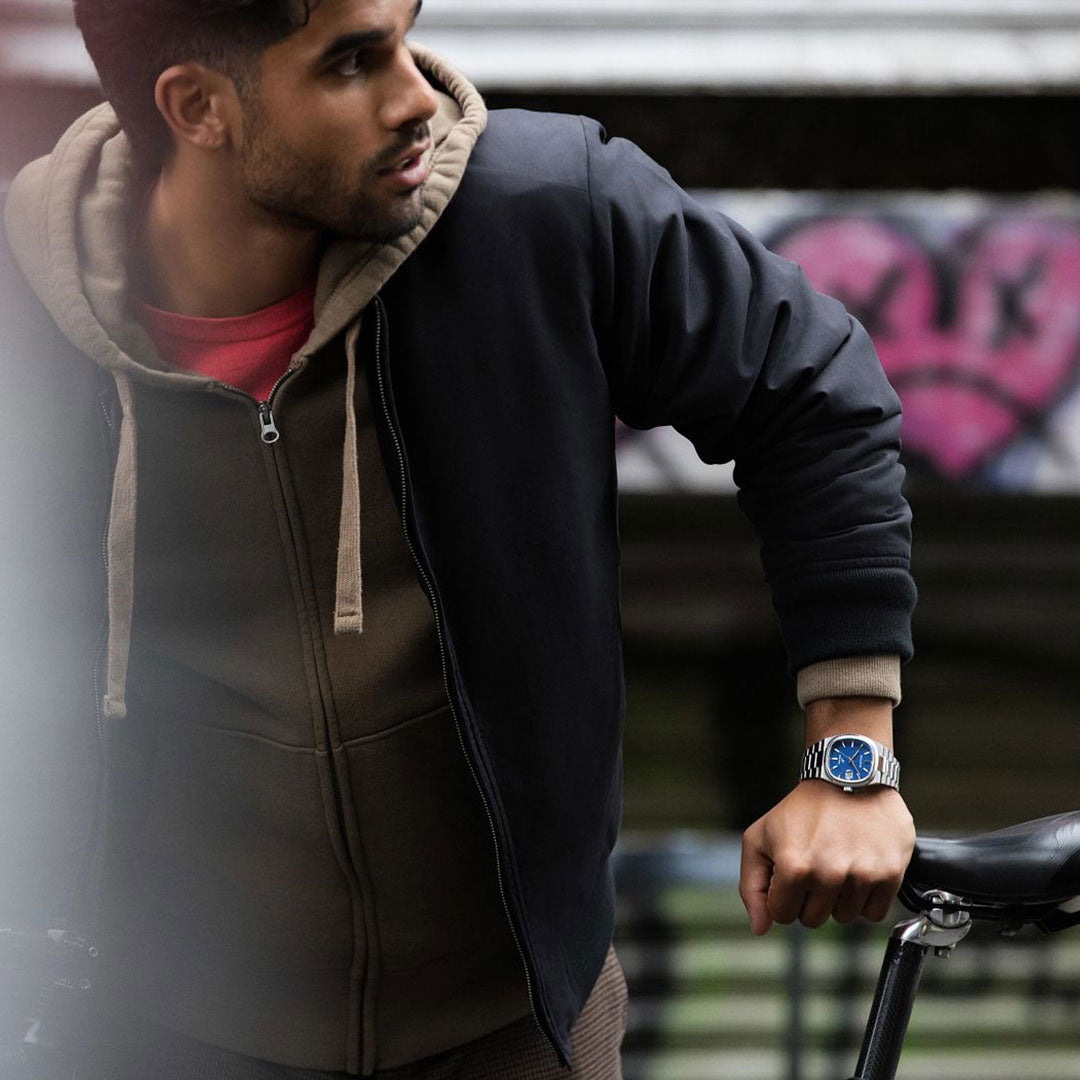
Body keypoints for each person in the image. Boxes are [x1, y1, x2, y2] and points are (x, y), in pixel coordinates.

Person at [0, 0, 917, 1076]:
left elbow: (809, 389)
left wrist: (850, 758)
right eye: (351, 63)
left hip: (514, 1027)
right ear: (198, 107)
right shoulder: (27, 315)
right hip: (159, 1037)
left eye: (403, 32)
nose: (417, 95)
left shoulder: (541, 211)